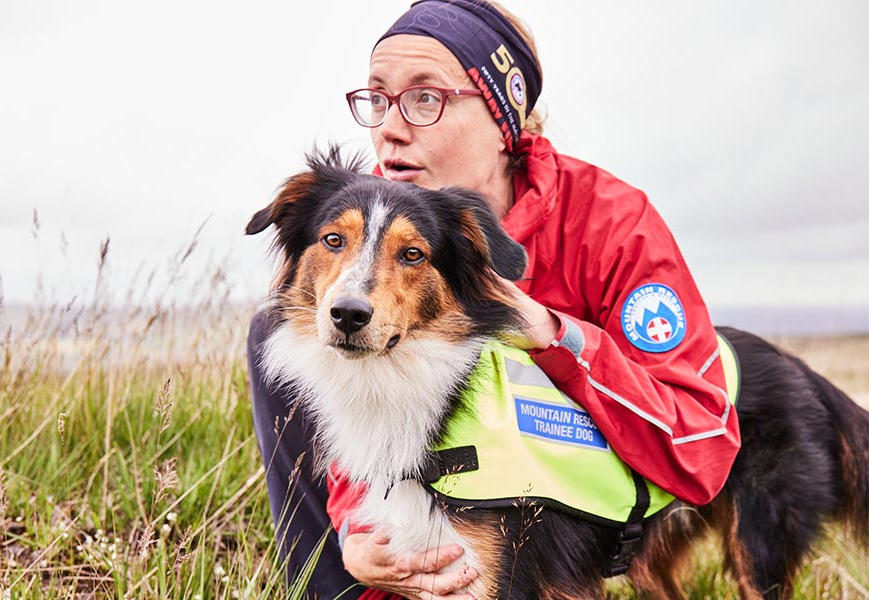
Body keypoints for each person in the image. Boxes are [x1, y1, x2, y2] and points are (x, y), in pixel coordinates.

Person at [247, 1, 742, 598]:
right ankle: (330, 588)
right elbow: (371, 412)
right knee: (276, 327)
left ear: (503, 118)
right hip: (421, 506)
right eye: (377, 98)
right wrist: (357, 526)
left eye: (425, 98)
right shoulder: (368, 214)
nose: (390, 128)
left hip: (574, 526)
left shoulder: (613, 223)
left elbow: (703, 449)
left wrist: (559, 338)